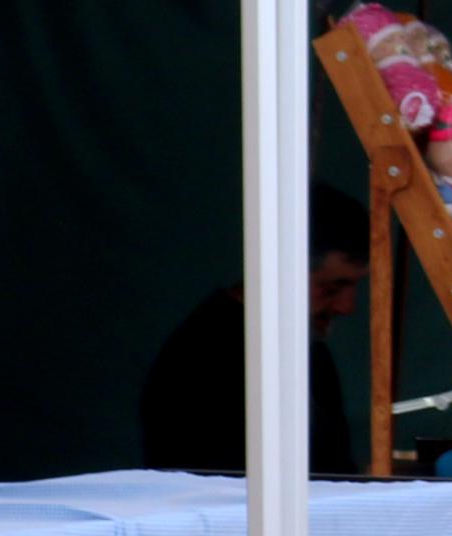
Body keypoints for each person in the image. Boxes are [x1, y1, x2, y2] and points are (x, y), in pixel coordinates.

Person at [138, 182, 373, 476]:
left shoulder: (305, 349)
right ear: (276, 266)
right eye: (331, 286)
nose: (346, 306)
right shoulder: (208, 359)